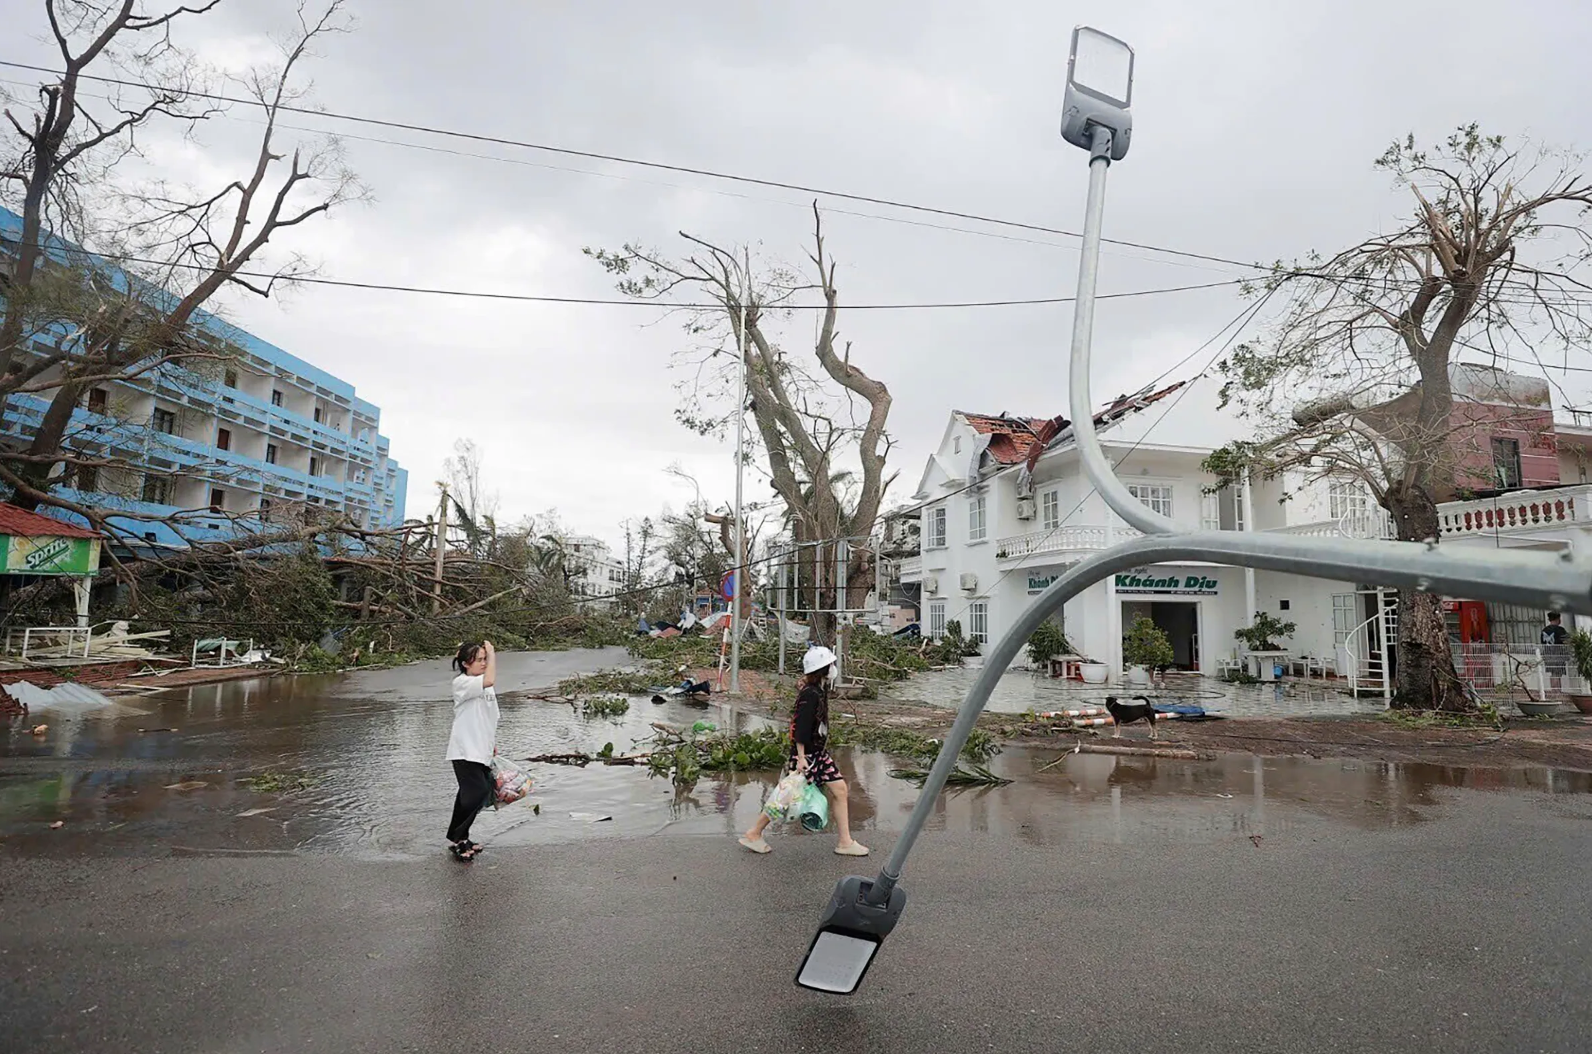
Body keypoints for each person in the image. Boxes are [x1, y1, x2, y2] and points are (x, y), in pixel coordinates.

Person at [739, 646, 869, 857]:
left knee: (840, 790)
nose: (834, 668)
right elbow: (799, 728)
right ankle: (754, 833)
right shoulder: (810, 695)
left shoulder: (817, 691)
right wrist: (800, 758)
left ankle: (845, 841)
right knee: (785, 798)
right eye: (831, 665)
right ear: (824, 669)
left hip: (818, 754)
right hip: (807, 756)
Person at [446, 640, 497, 861]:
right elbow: (490, 679)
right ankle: (458, 840)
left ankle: (461, 837)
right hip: (464, 750)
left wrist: (491, 743)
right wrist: (493, 653)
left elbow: (489, 717)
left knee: (476, 793)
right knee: (475, 794)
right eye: (480, 660)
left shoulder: (484, 685)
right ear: (466, 663)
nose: (484, 663)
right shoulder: (462, 682)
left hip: (480, 749)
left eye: (486, 659)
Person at [1542, 612, 1570, 686]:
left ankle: (1554, 691)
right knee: (1557, 674)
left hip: (1547, 654)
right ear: (1557, 619)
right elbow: (1567, 641)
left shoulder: (1544, 630)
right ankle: (1556, 692)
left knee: (1553, 673)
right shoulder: (1560, 630)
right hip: (1558, 654)